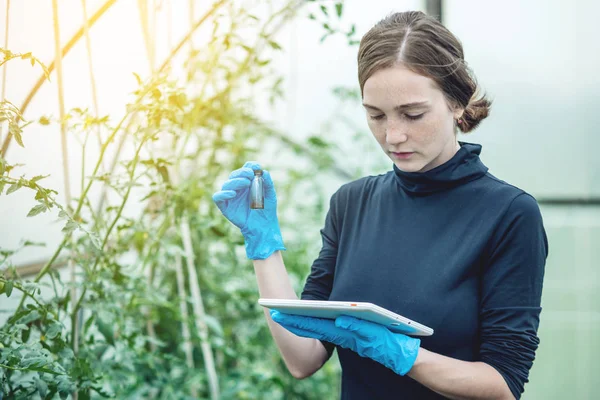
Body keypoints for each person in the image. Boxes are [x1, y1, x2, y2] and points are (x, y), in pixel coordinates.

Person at [212, 10, 547, 400]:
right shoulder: (352, 204)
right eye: (376, 115)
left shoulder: (508, 214)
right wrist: (263, 245)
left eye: (413, 114)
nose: (393, 136)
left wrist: (402, 355)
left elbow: (502, 384)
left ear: (457, 103)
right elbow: (302, 358)